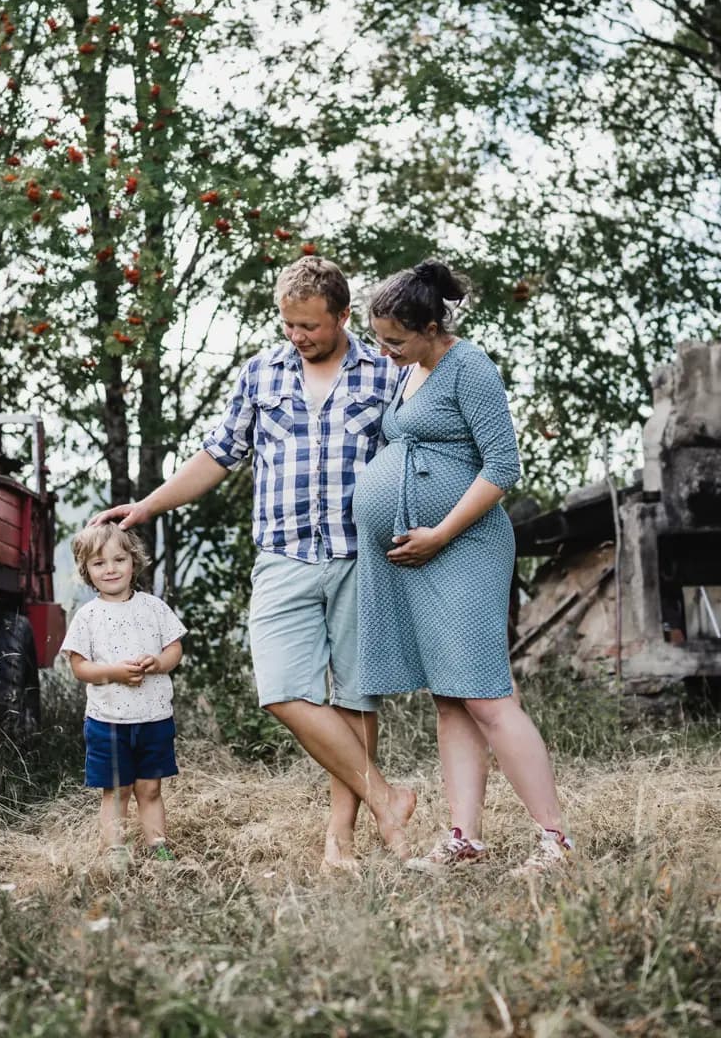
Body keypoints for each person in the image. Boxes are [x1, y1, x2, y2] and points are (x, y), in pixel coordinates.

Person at [94, 256, 417, 869]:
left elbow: (413, 454)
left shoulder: (384, 372)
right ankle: (386, 797)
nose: (296, 337)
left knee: (354, 699)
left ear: (343, 316)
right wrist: (147, 507)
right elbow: (217, 456)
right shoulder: (262, 373)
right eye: (288, 324)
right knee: (280, 691)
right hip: (283, 556)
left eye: (310, 326)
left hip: (362, 556)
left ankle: (339, 846)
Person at [353, 260, 573, 873]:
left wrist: (440, 532)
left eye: (394, 339)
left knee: (487, 698)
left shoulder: (469, 367)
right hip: (419, 556)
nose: (384, 350)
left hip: (466, 546)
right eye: (378, 338)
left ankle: (556, 841)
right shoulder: (411, 371)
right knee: (450, 701)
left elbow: (502, 467)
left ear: (430, 326)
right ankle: (464, 839)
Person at [63, 521, 186, 861]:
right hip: (108, 722)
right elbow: (79, 667)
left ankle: (158, 848)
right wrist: (115, 673)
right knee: (116, 791)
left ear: (134, 562)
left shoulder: (154, 608)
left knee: (150, 788)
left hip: (154, 717)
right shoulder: (87, 616)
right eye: (98, 563)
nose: (110, 569)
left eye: (118, 560)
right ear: (86, 571)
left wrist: (158, 663)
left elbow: (174, 650)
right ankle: (114, 852)